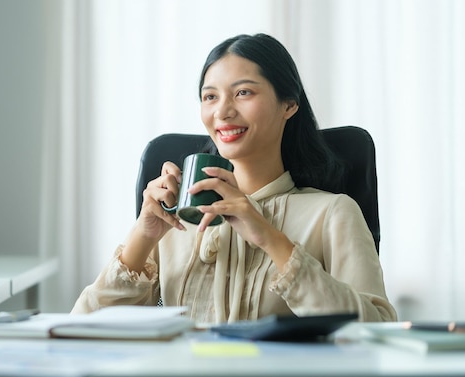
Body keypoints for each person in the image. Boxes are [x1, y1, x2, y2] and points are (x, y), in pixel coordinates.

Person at [72, 33, 397, 324]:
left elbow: (376, 328)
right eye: (210, 97)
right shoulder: (178, 218)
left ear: (289, 104)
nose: (222, 111)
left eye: (243, 92)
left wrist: (271, 239)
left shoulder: (333, 213)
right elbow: (81, 327)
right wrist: (142, 236)